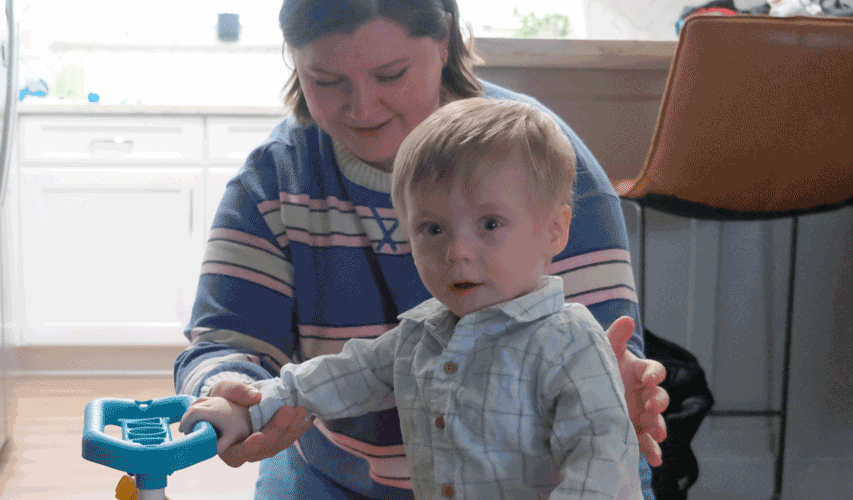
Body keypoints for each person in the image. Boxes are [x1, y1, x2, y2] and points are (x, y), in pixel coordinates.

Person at [173, 0, 670, 498]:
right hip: (337, 474)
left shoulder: (541, 163)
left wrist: (617, 390)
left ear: (444, 41)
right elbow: (268, 357)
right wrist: (236, 396)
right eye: (326, 80)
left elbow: (605, 456)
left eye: (391, 74)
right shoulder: (273, 180)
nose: (362, 107)